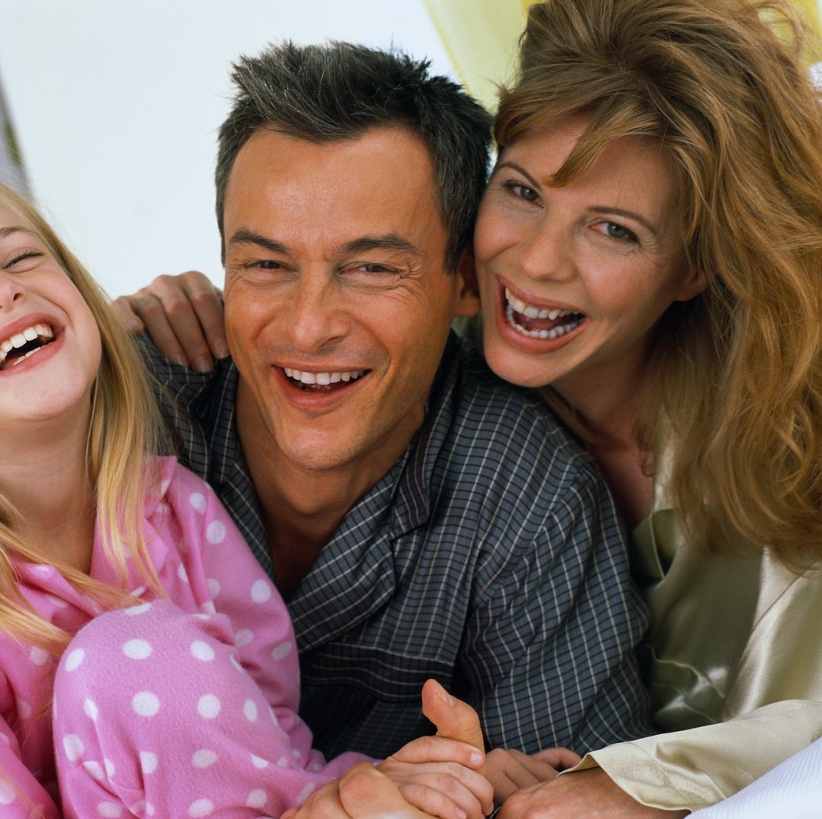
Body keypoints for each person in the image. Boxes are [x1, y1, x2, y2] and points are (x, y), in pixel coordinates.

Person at [124, 1, 822, 815]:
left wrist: (626, 780)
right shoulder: (173, 392)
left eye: (614, 230)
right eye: (522, 191)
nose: (534, 261)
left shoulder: (551, 482)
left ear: (695, 265)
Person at [0, 164, 500, 819]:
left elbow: (263, 741)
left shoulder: (174, 506)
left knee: (145, 659)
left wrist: (398, 784)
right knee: (127, 658)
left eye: (21, 258)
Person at [117, 37, 651, 785]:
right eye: (266, 265)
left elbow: (583, 793)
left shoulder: (529, 495)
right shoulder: (125, 416)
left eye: (371, 268)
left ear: (466, 280)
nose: (307, 327)